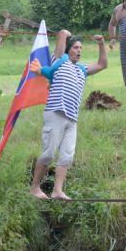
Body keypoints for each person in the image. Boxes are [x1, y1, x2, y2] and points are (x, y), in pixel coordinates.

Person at [28, 30, 108, 200]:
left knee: (67, 155)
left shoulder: (82, 69)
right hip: (56, 112)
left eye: (81, 48)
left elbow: (102, 64)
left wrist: (101, 44)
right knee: (49, 153)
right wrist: (64, 34)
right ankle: (34, 188)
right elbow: (61, 39)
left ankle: (57, 190)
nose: (79, 50)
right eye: (76, 47)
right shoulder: (59, 61)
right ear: (68, 50)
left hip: (72, 118)